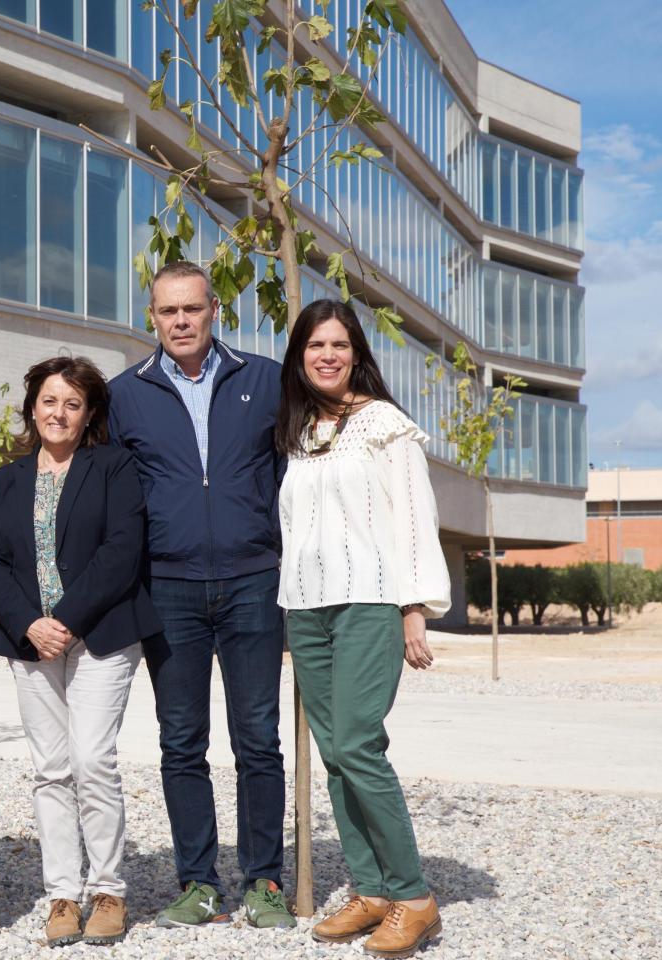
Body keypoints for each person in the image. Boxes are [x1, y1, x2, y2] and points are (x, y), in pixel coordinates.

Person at [105, 260, 295, 929]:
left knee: (258, 739)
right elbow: (116, 496)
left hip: (253, 582)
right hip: (170, 587)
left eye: (191, 309)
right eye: (167, 311)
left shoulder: (265, 379)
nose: (180, 321)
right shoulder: (125, 393)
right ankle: (197, 882)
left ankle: (265, 879)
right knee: (182, 740)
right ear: (150, 318)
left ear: (215, 309)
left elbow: (290, 476)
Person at [275, 299, 448, 958]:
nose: (328, 355)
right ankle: (372, 889)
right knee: (334, 754)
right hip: (305, 608)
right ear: (300, 355)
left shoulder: (382, 425)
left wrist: (414, 609)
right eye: (316, 345)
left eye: (339, 345)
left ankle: (413, 895)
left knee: (357, 746)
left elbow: (413, 516)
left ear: (356, 353)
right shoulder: (296, 431)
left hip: (369, 603)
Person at [0, 356, 165, 948]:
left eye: (73, 404)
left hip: (103, 637)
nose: (59, 413)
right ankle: (63, 894)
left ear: (89, 416)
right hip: (30, 642)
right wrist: (30, 623)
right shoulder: (5, 478)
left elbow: (121, 551)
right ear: (32, 406)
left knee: (91, 760)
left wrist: (64, 620)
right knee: (51, 769)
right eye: (50, 401)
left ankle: (108, 890)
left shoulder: (113, 467)